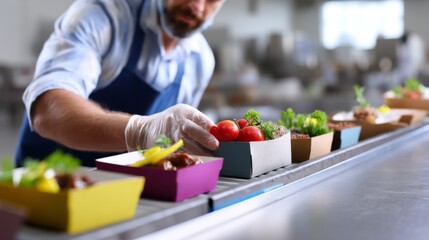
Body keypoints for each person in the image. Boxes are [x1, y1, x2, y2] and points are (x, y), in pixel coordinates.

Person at [15, 0, 225, 167]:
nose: (196, 6)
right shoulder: (102, 17)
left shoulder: (200, 60)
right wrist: (139, 131)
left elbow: (174, 146)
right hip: (46, 186)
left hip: (127, 196)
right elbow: (47, 110)